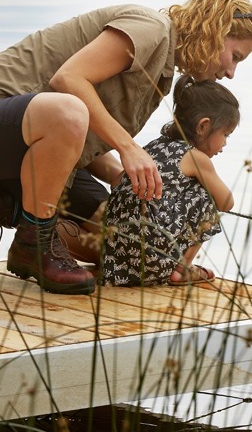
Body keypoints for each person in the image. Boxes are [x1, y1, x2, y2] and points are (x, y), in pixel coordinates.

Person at [0, 0, 252, 295]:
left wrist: (117, 174)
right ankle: (33, 242)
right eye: (235, 57)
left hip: (26, 142)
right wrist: (128, 148)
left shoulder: (162, 71)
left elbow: (74, 137)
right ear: (215, 32)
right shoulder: (151, 28)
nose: (231, 72)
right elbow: (68, 81)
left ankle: (1, 204)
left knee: (131, 248)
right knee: (68, 110)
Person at [102, 74, 239, 287]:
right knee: (206, 197)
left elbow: (119, 181)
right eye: (226, 134)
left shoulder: (153, 147)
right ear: (203, 126)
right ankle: (182, 268)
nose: (225, 143)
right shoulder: (196, 158)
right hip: (152, 260)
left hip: (117, 259)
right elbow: (226, 203)